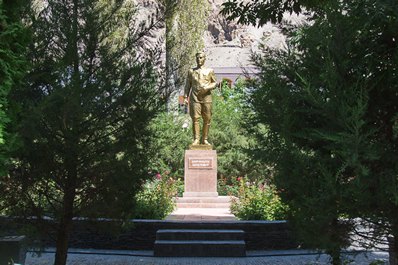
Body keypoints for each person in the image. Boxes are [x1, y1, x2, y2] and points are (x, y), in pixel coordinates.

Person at [184, 52, 217, 146]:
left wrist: (207, 87)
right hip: (194, 97)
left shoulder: (210, 71)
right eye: (197, 58)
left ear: (204, 59)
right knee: (195, 118)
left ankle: (205, 139)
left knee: (207, 118)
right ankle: (196, 139)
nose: (199, 59)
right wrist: (185, 97)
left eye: (201, 58)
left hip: (207, 97)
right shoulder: (191, 71)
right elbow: (188, 85)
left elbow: (215, 83)